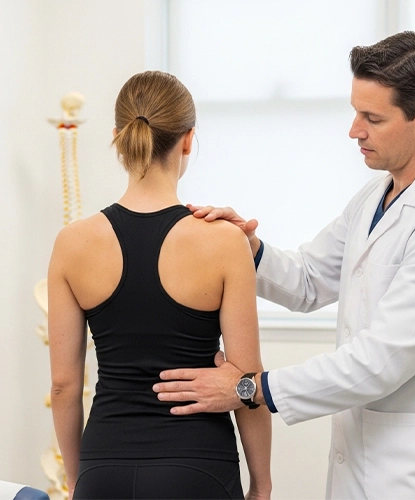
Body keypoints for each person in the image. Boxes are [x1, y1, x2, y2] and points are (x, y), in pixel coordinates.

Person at [154, 31, 415, 498]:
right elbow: (308, 280)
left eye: (372, 118)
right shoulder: (377, 195)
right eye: (355, 112)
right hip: (362, 461)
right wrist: (247, 249)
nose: (354, 130)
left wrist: (248, 389)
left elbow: (380, 362)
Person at [47, 71, 272, 500]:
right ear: (187, 141)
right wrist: (262, 484)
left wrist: (78, 479)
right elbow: (246, 382)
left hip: (103, 466)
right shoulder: (224, 241)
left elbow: (64, 386)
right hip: (197, 468)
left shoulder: (72, 243)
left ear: (117, 138)